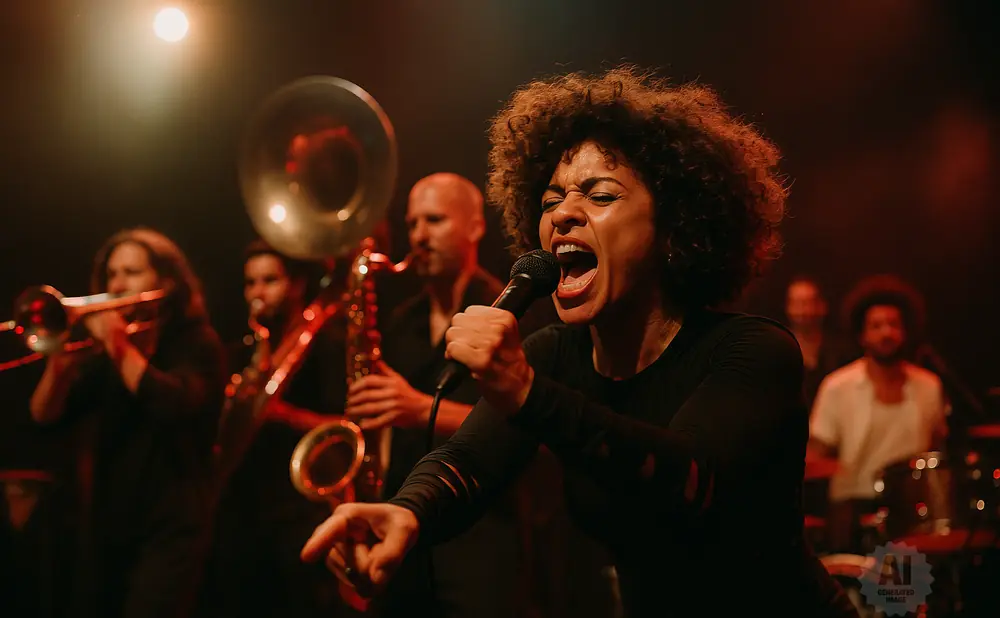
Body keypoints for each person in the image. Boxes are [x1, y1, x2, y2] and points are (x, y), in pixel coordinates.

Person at [300, 66, 860, 617]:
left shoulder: (752, 352)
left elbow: (690, 483)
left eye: (600, 195)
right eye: (549, 201)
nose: (564, 214)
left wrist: (525, 393)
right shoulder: (553, 355)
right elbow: (467, 461)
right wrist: (407, 512)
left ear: (675, 225)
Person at [341, 172, 560, 618]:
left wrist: (417, 408)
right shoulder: (401, 322)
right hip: (405, 522)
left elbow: (532, 429)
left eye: (435, 220)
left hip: (484, 531)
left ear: (475, 227)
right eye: (413, 223)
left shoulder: (514, 311)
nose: (419, 236)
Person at [28, 227, 227, 618]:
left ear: (166, 282)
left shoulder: (196, 342)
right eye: (112, 274)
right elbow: (44, 418)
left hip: (173, 526)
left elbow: (174, 402)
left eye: (131, 272)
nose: (117, 285)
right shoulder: (106, 354)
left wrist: (118, 347)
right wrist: (59, 369)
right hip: (111, 521)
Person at [197, 239, 350, 618]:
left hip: (301, 508)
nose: (258, 293)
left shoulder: (326, 345)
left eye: (270, 280)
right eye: (251, 283)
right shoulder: (242, 351)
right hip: (245, 511)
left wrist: (281, 414)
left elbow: (347, 429)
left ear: (297, 285)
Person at [807, 274, 948, 553]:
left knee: (909, 591)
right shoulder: (837, 386)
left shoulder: (929, 386)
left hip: (912, 511)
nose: (886, 333)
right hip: (852, 509)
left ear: (906, 330)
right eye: (876, 325)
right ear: (862, 334)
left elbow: (936, 452)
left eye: (893, 324)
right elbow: (815, 456)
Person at [784, 276, 856, 409]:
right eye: (797, 303)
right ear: (788, 307)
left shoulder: (842, 351)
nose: (803, 310)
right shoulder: (778, 349)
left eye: (807, 302)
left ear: (822, 306)